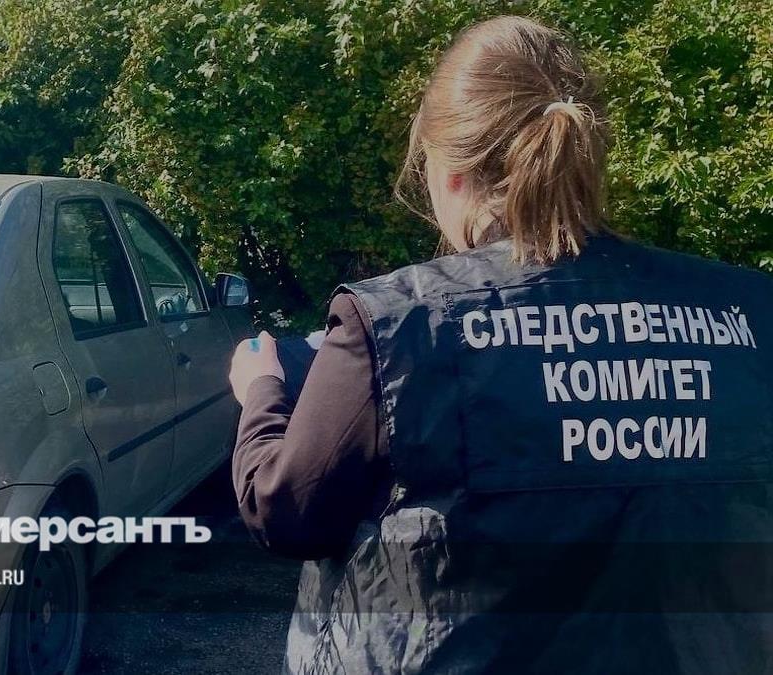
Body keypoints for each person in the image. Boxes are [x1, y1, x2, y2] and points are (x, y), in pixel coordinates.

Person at [228, 15, 772, 675]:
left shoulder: (399, 325)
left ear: (452, 173)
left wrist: (261, 391)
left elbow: (288, 513)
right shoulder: (748, 312)